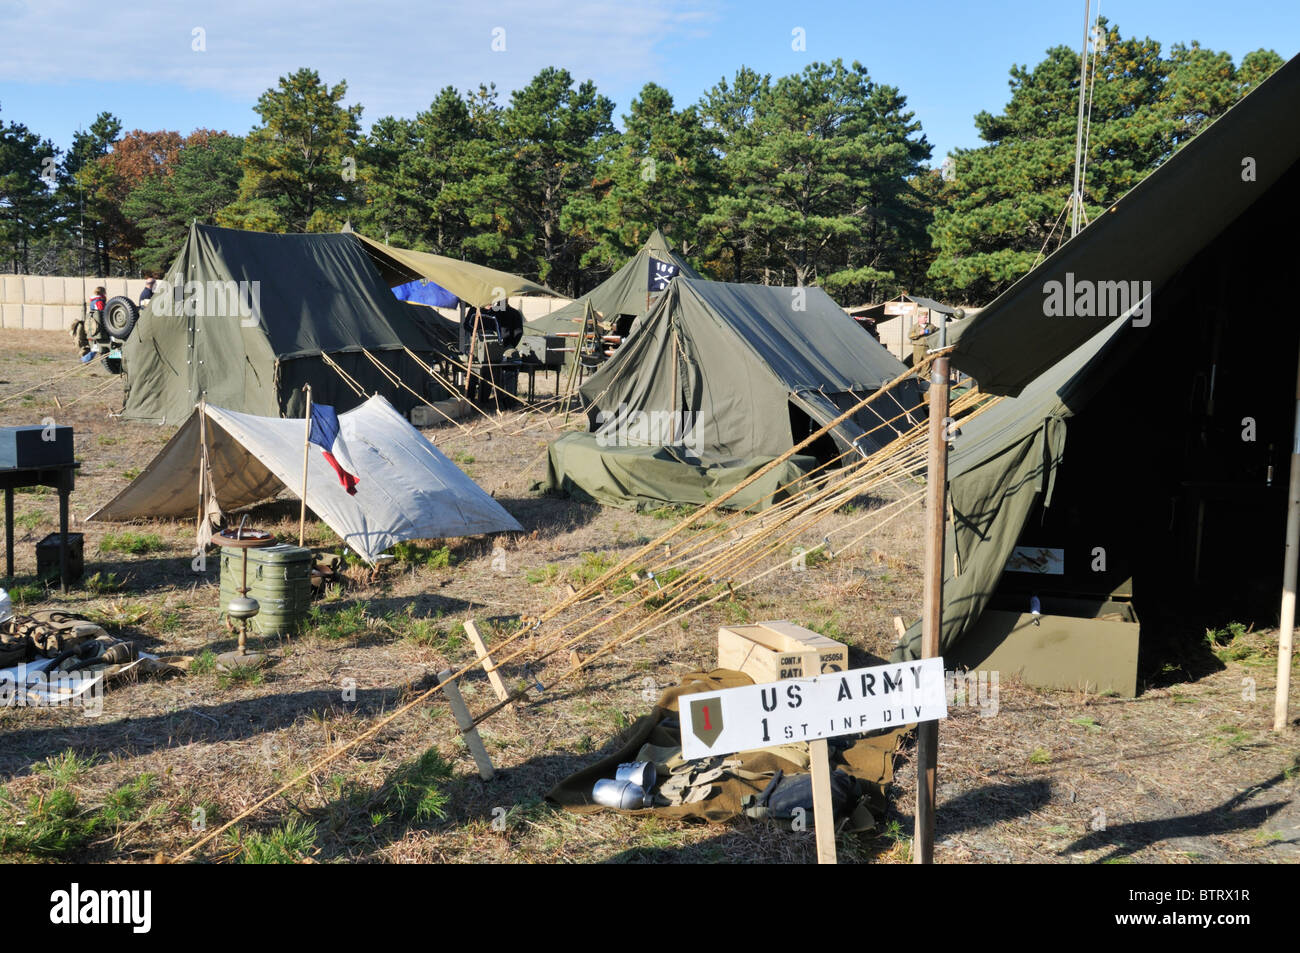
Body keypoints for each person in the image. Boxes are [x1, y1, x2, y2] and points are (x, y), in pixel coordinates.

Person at [71, 287, 107, 363]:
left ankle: (85, 359)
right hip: (100, 326)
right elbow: (102, 312)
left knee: (95, 348)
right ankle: (84, 360)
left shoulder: (93, 301)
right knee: (96, 348)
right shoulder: (99, 301)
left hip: (94, 326)